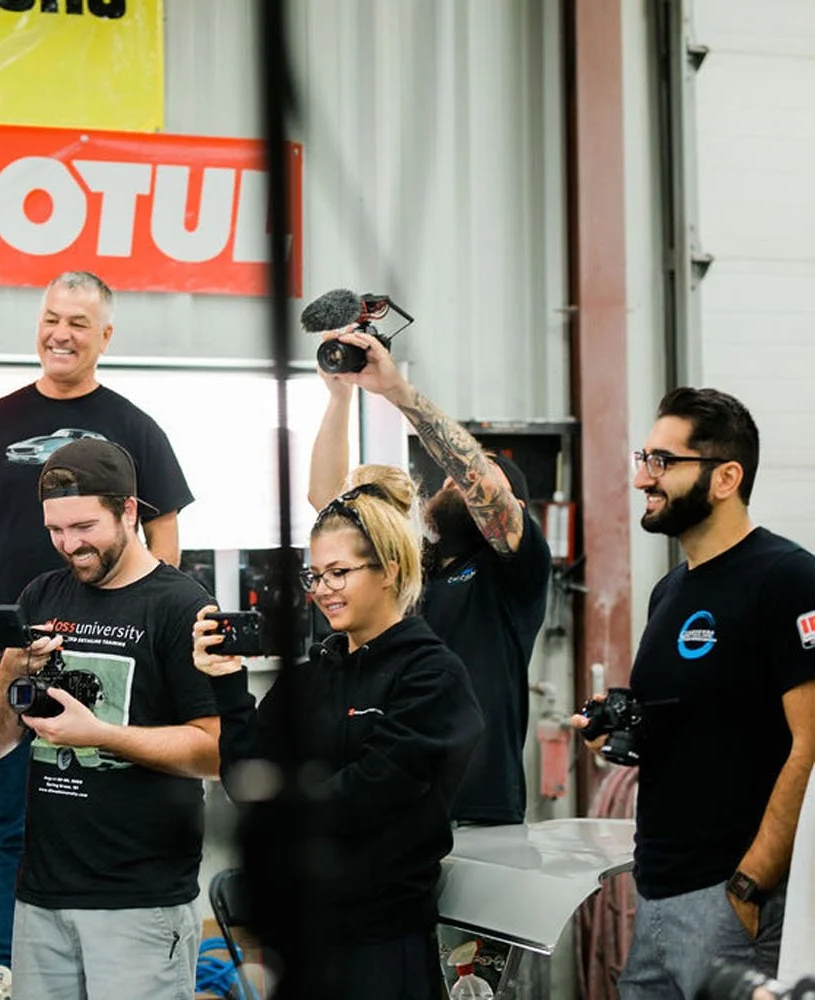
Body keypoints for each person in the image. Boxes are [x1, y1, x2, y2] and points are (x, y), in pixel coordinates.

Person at [0, 270, 195, 998]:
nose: (60, 333)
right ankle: (4, 963)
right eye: (51, 317)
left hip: (114, 652)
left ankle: (114, 937)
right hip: (17, 649)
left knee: (99, 787)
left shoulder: (134, 427)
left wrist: (146, 620)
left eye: (78, 323)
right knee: (1, 808)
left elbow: (165, 533)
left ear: (104, 335)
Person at [195, 465, 483, 1000]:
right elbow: (244, 779)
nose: (322, 590)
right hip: (304, 939)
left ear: (390, 570)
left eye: (338, 573)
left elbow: (370, 792)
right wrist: (229, 688)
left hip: (382, 945)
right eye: (315, 576)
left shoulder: (431, 676)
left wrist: (280, 813)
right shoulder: (312, 678)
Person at [572, 388, 815, 999]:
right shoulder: (670, 591)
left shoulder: (787, 578)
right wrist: (616, 732)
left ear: (726, 477)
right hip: (655, 892)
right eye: (643, 458)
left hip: (730, 898)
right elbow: (697, 730)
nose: (641, 479)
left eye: (662, 462)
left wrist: (750, 885)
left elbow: (811, 746)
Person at [0, 438, 219, 1000]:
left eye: (84, 527)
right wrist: (8, 670)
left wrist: (102, 736)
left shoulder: (180, 605)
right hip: (43, 897)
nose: (70, 545)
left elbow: (216, 750)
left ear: (128, 511)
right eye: (55, 530)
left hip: (139, 901)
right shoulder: (42, 595)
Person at [307, 325, 551, 826]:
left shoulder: (512, 570)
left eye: (473, 473)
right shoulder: (407, 567)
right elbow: (328, 503)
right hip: (394, 803)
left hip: (477, 807)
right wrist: (339, 398)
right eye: (448, 476)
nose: (454, 479)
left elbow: (477, 481)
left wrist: (397, 391)